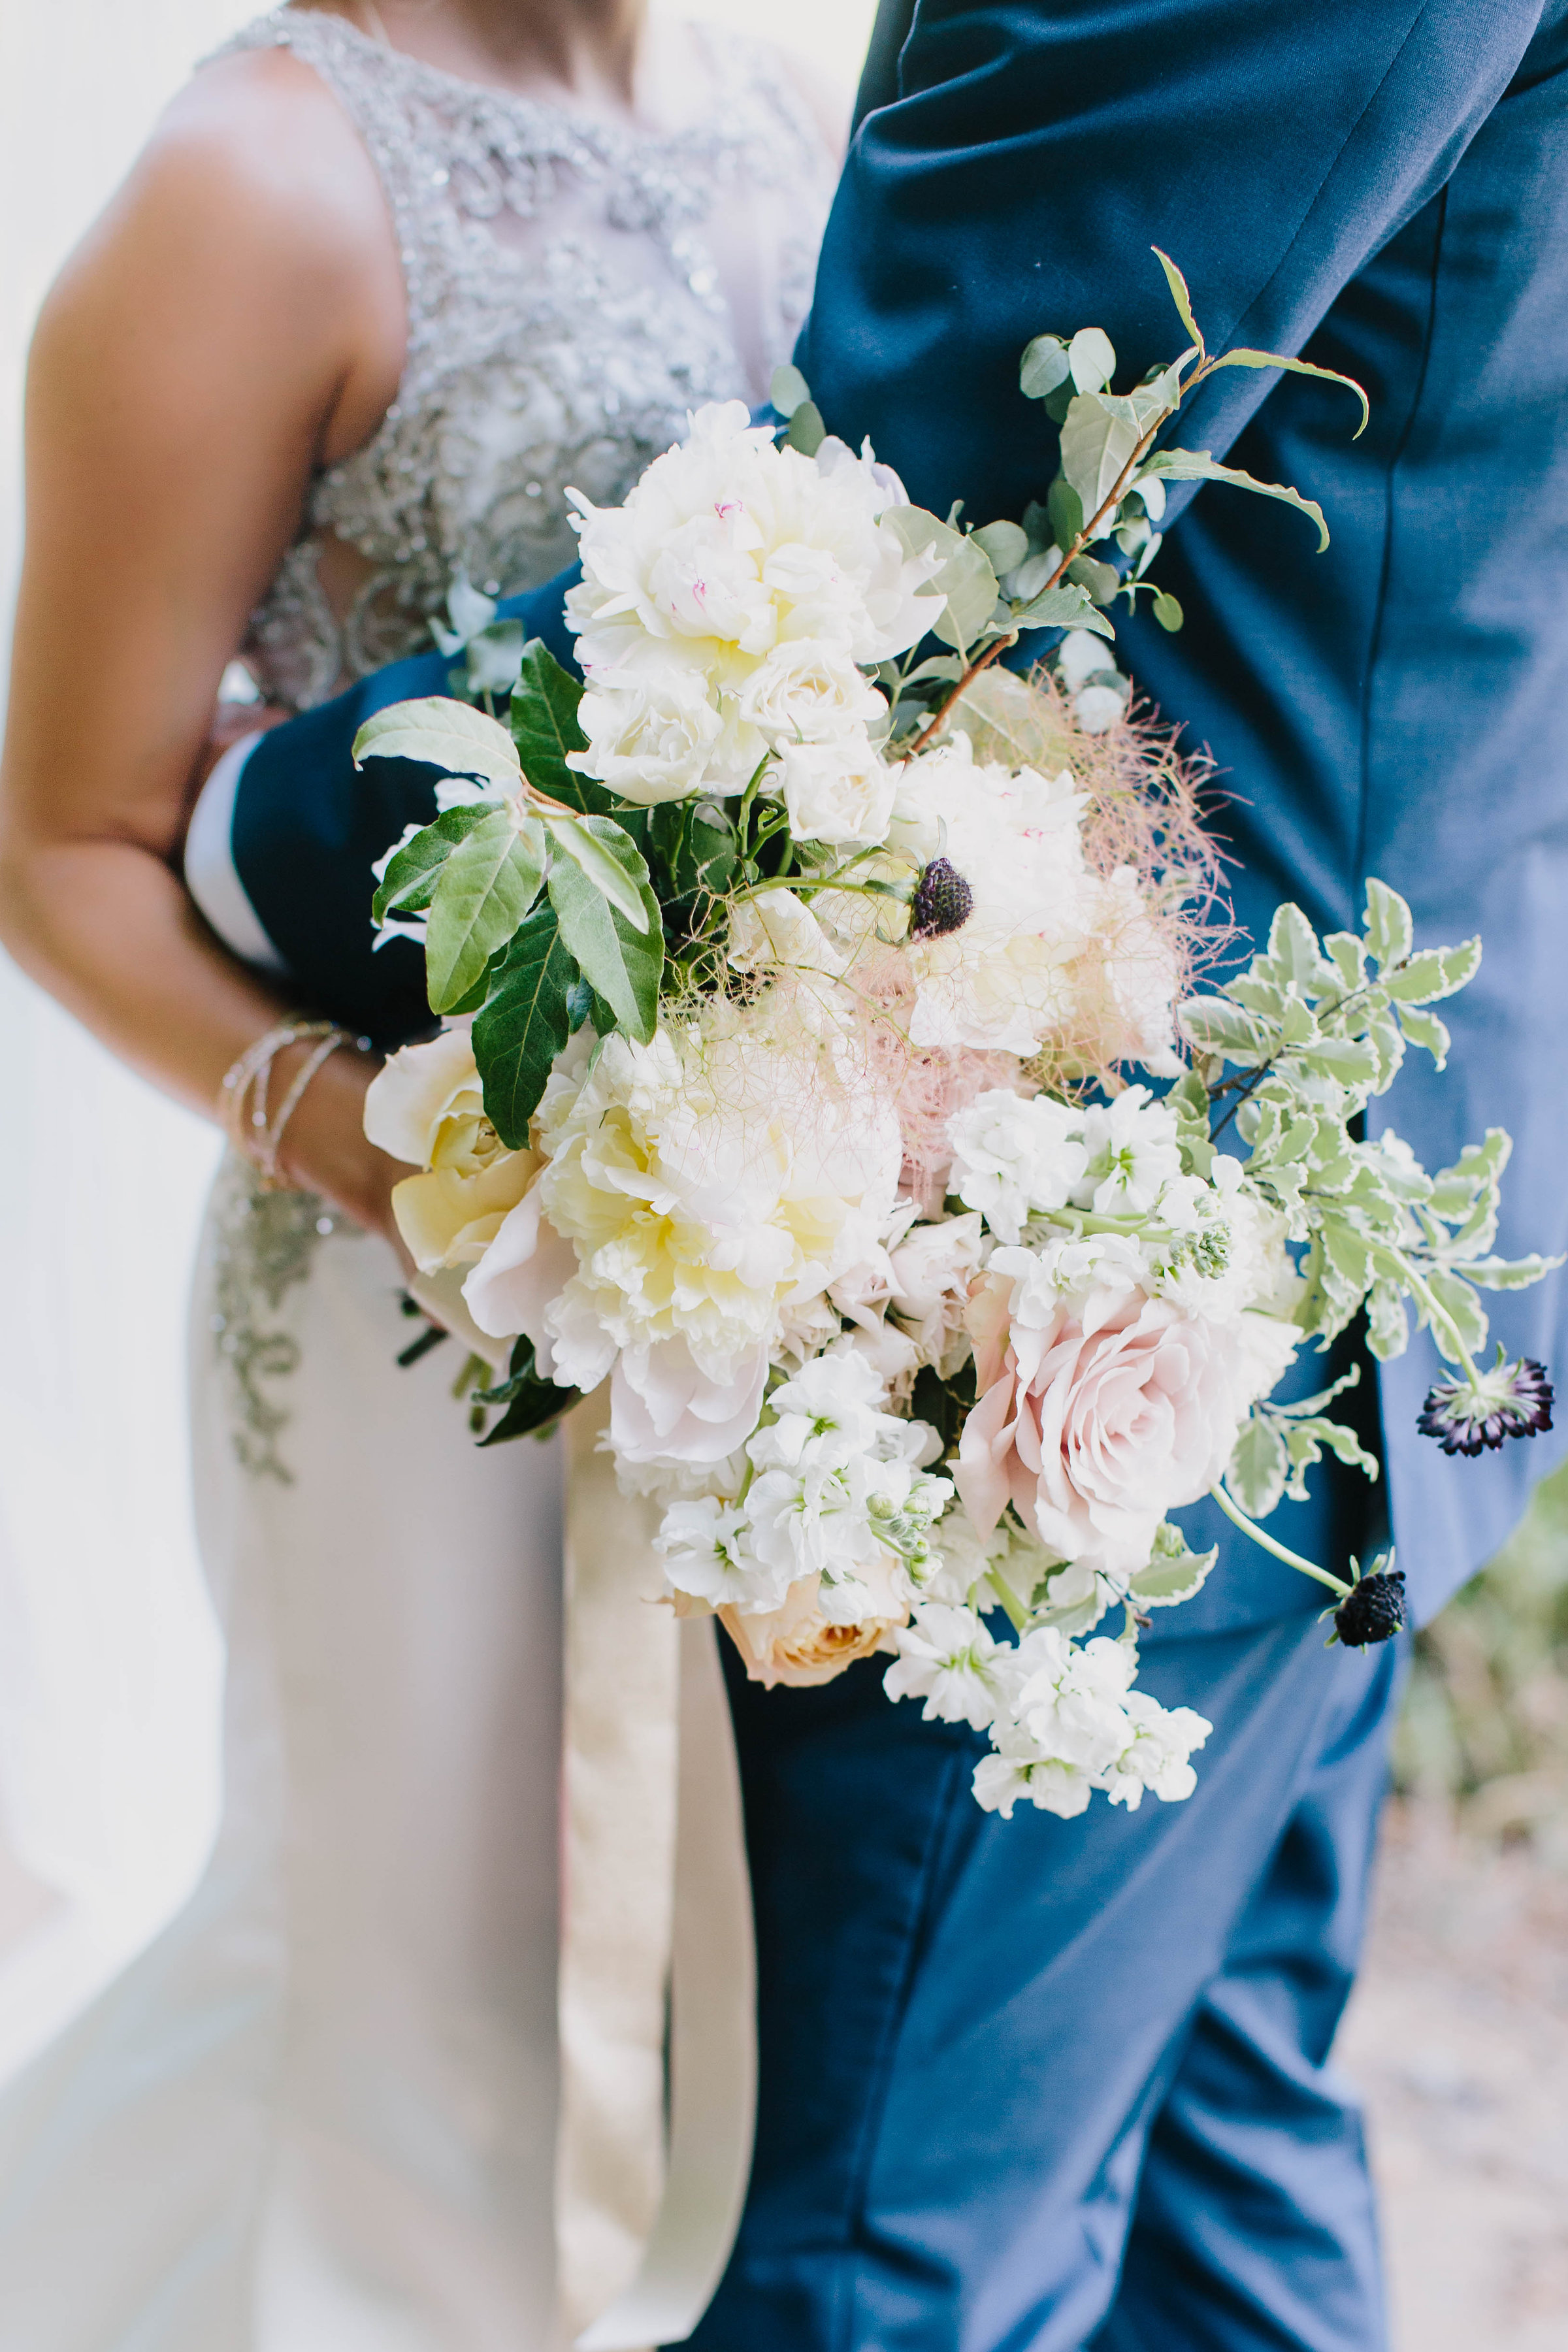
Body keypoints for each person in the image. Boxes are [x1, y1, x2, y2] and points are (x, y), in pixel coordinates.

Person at [170, 2, 1568, 2347]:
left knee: (868, 2279)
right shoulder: (311, 153)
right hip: (1366, 1260)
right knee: (1216, 2206)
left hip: (1099, 1307)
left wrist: (254, 831)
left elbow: (932, 493)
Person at [0, 2, 840, 2342]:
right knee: (404, 2001)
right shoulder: (258, 183)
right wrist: (413, 1172)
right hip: (412, 1297)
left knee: (657, 2006)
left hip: (730, 1273)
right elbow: (63, 846)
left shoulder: (782, 116)